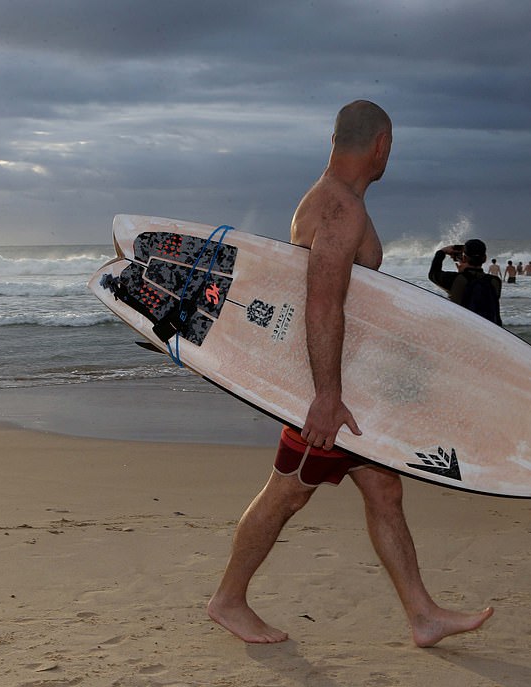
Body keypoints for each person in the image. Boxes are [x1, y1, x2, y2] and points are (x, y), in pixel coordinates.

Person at [207, 100, 493, 647]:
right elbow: (322, 303)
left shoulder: (334, 202)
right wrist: (327, 396)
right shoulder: (341, 210)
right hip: (326, 391)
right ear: (381, 145)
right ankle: (229, 599)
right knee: (286, 494)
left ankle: (422, 614)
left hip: (342, 385)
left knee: (384, 490)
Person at [428, 239, 502, 325]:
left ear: (464, 257)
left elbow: (433, 274)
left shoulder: (456, 279)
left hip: (464, 331)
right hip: (488, 333)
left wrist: (442, 252)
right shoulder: (495, 281)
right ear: (485, 258)